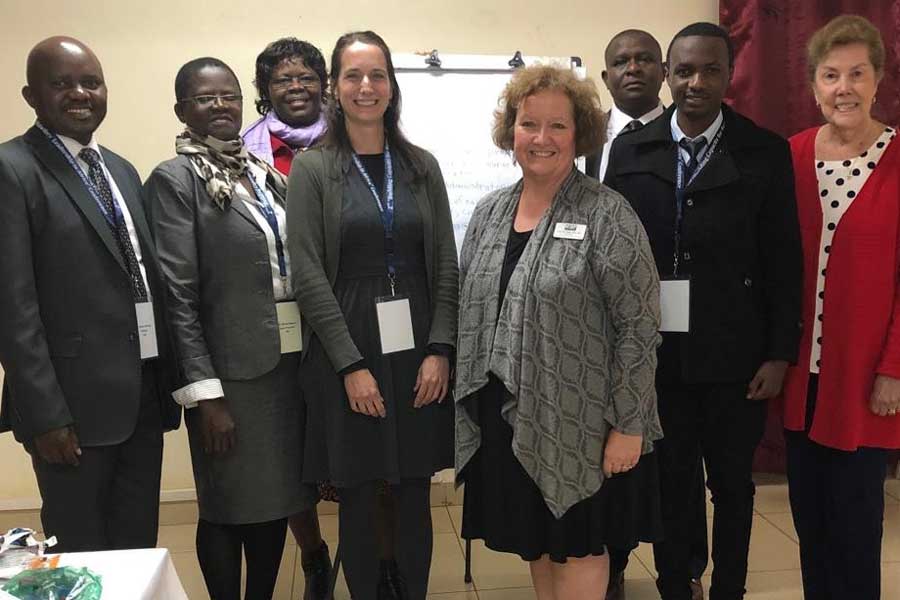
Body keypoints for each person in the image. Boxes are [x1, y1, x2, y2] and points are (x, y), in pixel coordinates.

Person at [604, 22, 803, 600]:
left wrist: (778, 352)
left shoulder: (762, 150)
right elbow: (613, 252)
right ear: (668, 75)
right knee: (670, 478)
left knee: (733, 486)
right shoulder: (631, 148)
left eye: (709, 70)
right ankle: (673, 585)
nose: (695, 82)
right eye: (684, 70)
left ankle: (729, 589)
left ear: (729, 75)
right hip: (655, 353)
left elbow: (783, 258)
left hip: (735, 354)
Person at [455, 64, 663, 600]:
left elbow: (639, 327)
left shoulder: (607, 213)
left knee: (577, 548)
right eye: (529, 124)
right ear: (511, 130)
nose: (541, 139)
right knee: (539, 544)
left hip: (585, 425)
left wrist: (630, 424)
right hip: (509, 415)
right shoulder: (489, 213)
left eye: (557, 126)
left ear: (580, 134)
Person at [287, 31, 458, 600]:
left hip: (416, 350)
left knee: (413, 490)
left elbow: (445, 265)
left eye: (377, 75)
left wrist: (440, 349)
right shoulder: (313, 170)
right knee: (358, 491)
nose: (366, 87)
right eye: (353, 76)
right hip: (347, 345)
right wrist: (349, 365)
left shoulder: (421, 167)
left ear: (392, 85)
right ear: (335, 88)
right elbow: (308, 275)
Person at [144, 57, 316, 600]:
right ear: (182, 110)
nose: (220, 106)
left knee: (274, 502)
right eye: (205, 98)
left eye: (229, 96)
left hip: (284, 367)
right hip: (229, 380)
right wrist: (205, 395)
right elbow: (178, 294)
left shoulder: (260, 172)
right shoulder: (175, 181)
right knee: (226, 507)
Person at [0, 36, 179, 553]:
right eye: (61, 84)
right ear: (31, 96)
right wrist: (45, 415)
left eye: (91, 82)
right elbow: (13, 309)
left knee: (135, 545)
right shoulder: (12, 170)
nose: (80, 93)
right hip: (71, 411)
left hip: (141, 396)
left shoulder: (120, 170)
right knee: (81, 553)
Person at [585, 29, 707, 600]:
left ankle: (680, 570)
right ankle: (610, 565)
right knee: (610, 460)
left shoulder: (679, 138)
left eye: (642, 60)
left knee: (678, 461)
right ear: (605, 76)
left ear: (662, 71)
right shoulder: (584, 142)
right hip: (598, 334)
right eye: (618, 62)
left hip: (672, 334)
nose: (630, 69)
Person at [782, 15, 899, 600]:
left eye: (857, 73)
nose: (844, 87)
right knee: (810, 526)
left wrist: (894, 368)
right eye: (831, 75)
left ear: (878, 80)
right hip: (803, 379)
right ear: (814, 86)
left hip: (866, 380)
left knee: (854, 531)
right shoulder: (793, 155)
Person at [242, 36, 333, 600]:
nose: (296, 87)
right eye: (282, 80)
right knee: (291, 449)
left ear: (323, 84)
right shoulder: (241, 152)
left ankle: (376, 558)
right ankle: (315, 555)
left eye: (306, 77)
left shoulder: (352, 142)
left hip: (347, 314)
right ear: (265, 92)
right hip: (278, 324)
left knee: (351, 441)